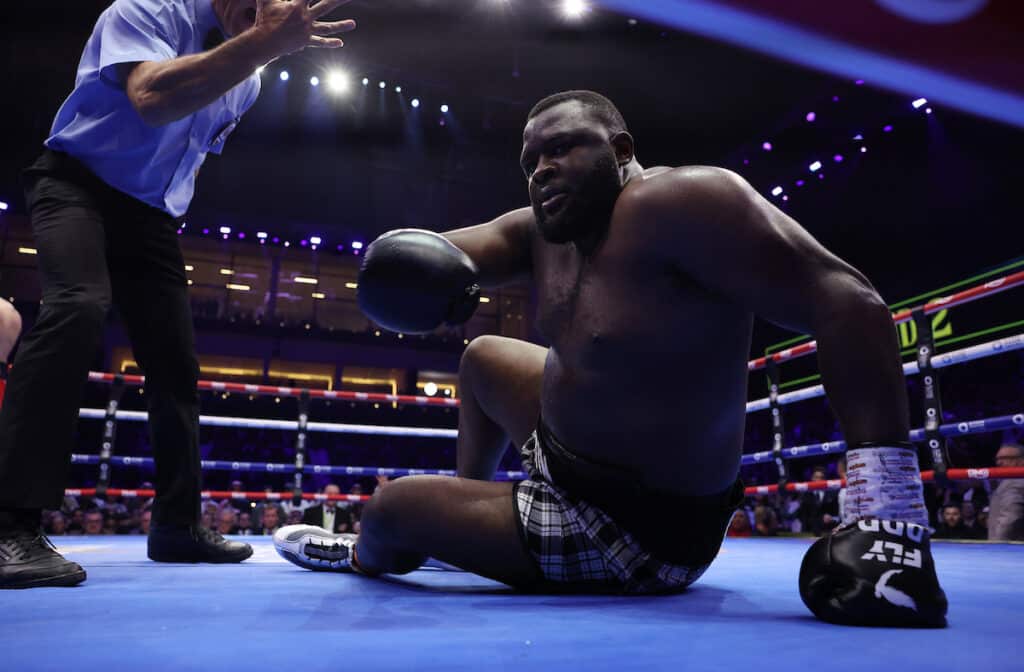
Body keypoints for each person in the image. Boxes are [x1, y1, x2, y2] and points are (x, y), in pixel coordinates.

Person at [275, 90, 946, 626]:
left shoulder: (681, 205)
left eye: (561, 149)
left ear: (621, 150)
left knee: (393, 510)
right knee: (482, 355)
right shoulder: (544, 229)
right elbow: (442, 251)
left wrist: (887, 509)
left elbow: (847, 297)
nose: (542, 170)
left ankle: (369, 554)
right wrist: (418, 273)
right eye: (531, 160)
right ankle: (467, 531)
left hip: (633, 529)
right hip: (564, 456)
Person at [0, 0, 358, 589]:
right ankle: (9, 525)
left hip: (150, 217)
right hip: (74, 183)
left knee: (175, 362)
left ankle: (177, 525)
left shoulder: (251, 80)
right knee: (78, 308)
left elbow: (186, 153)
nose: (273, 8)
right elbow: (151, 100)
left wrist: (258, 49)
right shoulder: (144, 10)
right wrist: (264, 42)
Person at [988, 443, 1024, 541]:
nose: (999, 462)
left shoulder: (1017, 482)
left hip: (1007, 549)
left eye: (1005, 458)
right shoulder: (1007, 482)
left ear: (1021, 461)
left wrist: (997, 545)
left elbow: (1010, 518)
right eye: (997, 459)